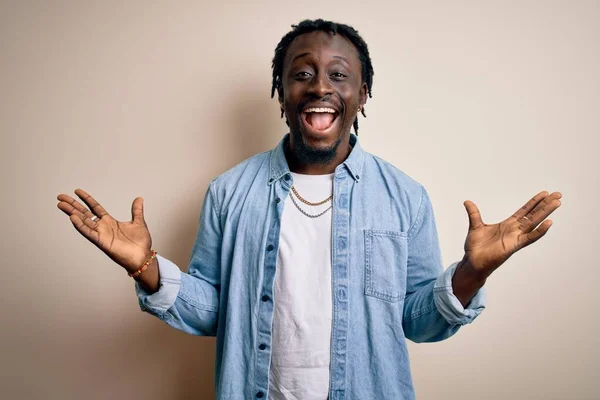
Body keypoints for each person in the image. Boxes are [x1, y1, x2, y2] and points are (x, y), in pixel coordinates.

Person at [57, 19, 562, 400]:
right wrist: (145, 266)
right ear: (282, 94)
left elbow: (417, 321)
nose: (321, 86)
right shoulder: (229, 192)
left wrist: (470, 273)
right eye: (302, 73)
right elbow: (214, 312)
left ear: (362, 95)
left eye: (339, 75)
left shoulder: (404, 196)